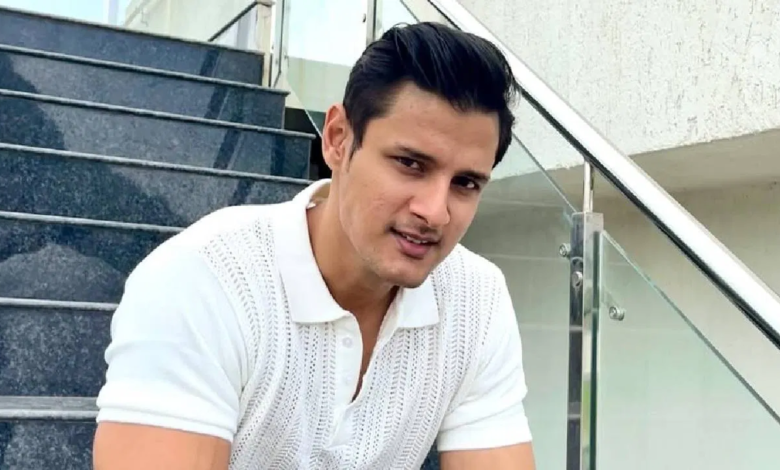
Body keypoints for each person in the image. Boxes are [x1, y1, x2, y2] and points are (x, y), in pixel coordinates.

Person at [92, 21, 535, 470]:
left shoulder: (477, 299)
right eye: (410, 163)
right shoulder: (204, 279)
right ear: (338, 139)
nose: (436, 212)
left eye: (465, 183)